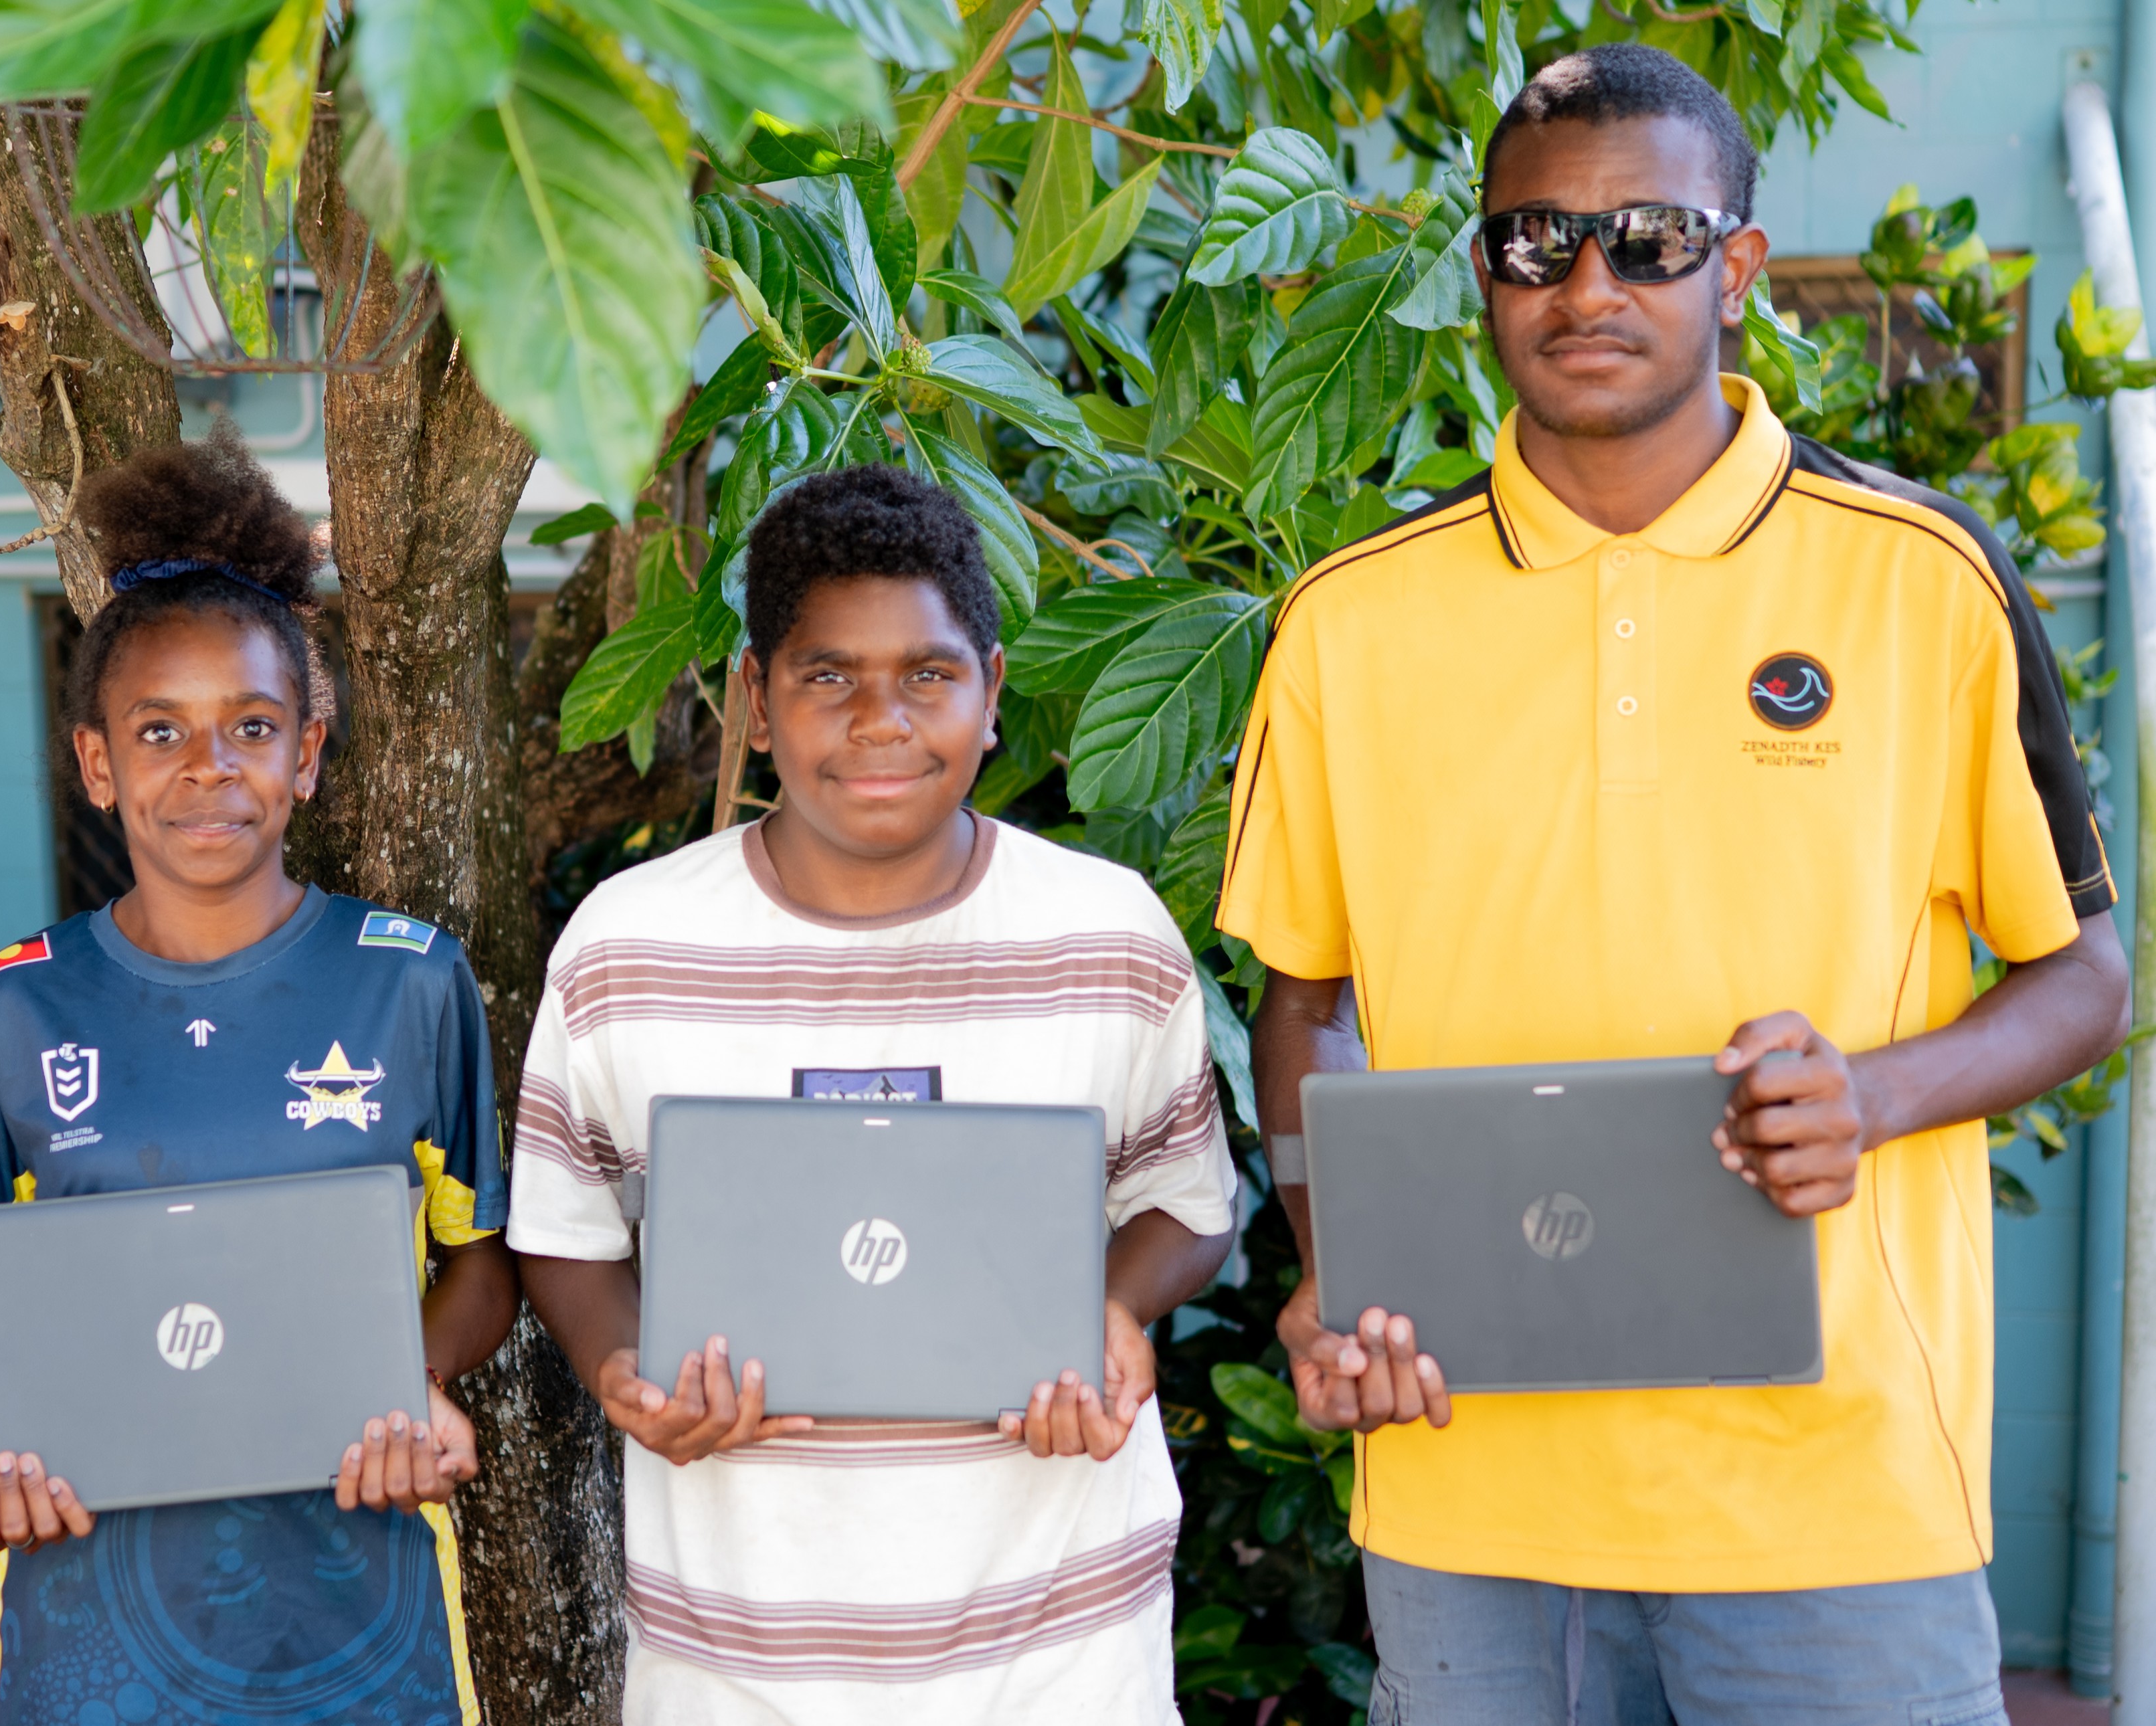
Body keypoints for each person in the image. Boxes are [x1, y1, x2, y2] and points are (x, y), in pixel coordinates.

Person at [1219, 42, 2133, 1722]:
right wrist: (1333, 1261)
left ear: (1737, 269)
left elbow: (2085, 977)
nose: (1587, 285)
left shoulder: (1923, 584)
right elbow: (1303, 1000)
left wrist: (1870, 1090)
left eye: (1646, 238)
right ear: (1480, 268)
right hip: (1465, 1485)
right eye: (1532, 242)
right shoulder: (1347, 623)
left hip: (1836, 1496)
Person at [509, 464, 1240, 1723]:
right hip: (735, 1666)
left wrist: (1113, 1319)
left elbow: (1189, 1203)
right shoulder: (627, 947)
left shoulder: (1105, 933)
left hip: (1060, 1655)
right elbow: (563, 1236)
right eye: (825, 675)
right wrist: (623, 1365)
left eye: (928, 675)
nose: (879, 720)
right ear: (754, 697)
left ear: (993, 692)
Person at [0, 427, 517, 1726]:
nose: (209, 770)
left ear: (306, 753)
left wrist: (409, 1384)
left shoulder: (408, 981)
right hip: (98, 1602)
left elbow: (482, 1258)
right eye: (159, 732)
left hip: (361, 1589)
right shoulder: (9, 1006)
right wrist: (13, 1424)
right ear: (97, 765)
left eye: (251, 727)